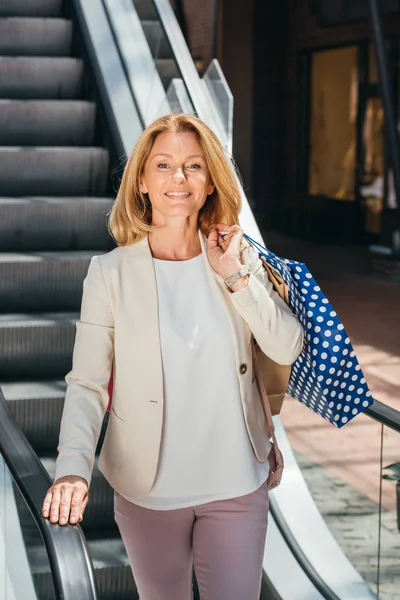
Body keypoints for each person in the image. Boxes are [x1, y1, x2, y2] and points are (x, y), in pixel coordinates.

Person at [42, 113, 303, 600]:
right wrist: (72, 469)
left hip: (236, 484)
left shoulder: (239, 257)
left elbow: (286, 346)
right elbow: (88, 383)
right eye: (162, 165)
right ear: (141, 180)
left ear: (210, 183)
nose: (178, 178)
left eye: (193, 166)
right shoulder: (109, 273)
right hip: (148, 494)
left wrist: (234, 277)